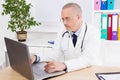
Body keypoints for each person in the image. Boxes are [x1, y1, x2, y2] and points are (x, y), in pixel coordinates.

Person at [31, 2, 101, 73]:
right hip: (70, 72)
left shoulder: (93, 32)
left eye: (67, 19)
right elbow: (55, 54)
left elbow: (88, 59)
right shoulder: (62, 31)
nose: (64, 23)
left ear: (78, 17)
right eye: (63, 19)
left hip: (89, 72)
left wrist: (64, 65)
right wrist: (37, 57)